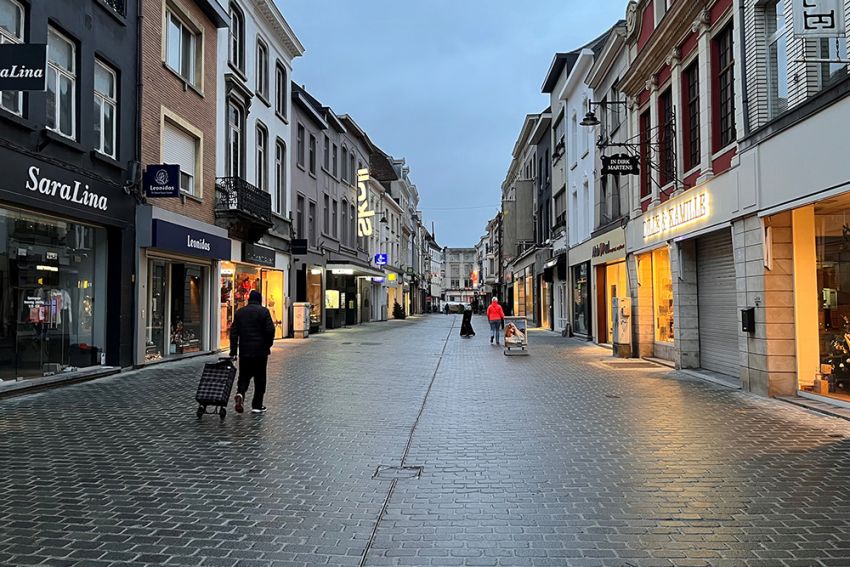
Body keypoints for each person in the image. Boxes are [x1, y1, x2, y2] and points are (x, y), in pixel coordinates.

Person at [230, 289, 275, 414]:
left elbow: (233, 333)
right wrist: (268, 344)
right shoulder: (264, 311)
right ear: (259, 300)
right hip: (260, 352)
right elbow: (270, 330)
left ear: (249, 299)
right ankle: (257, 405)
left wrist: (233, 351)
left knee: (244, 375)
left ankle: (240, 393)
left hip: (245, 351)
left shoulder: (240, 312)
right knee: (260, 378)